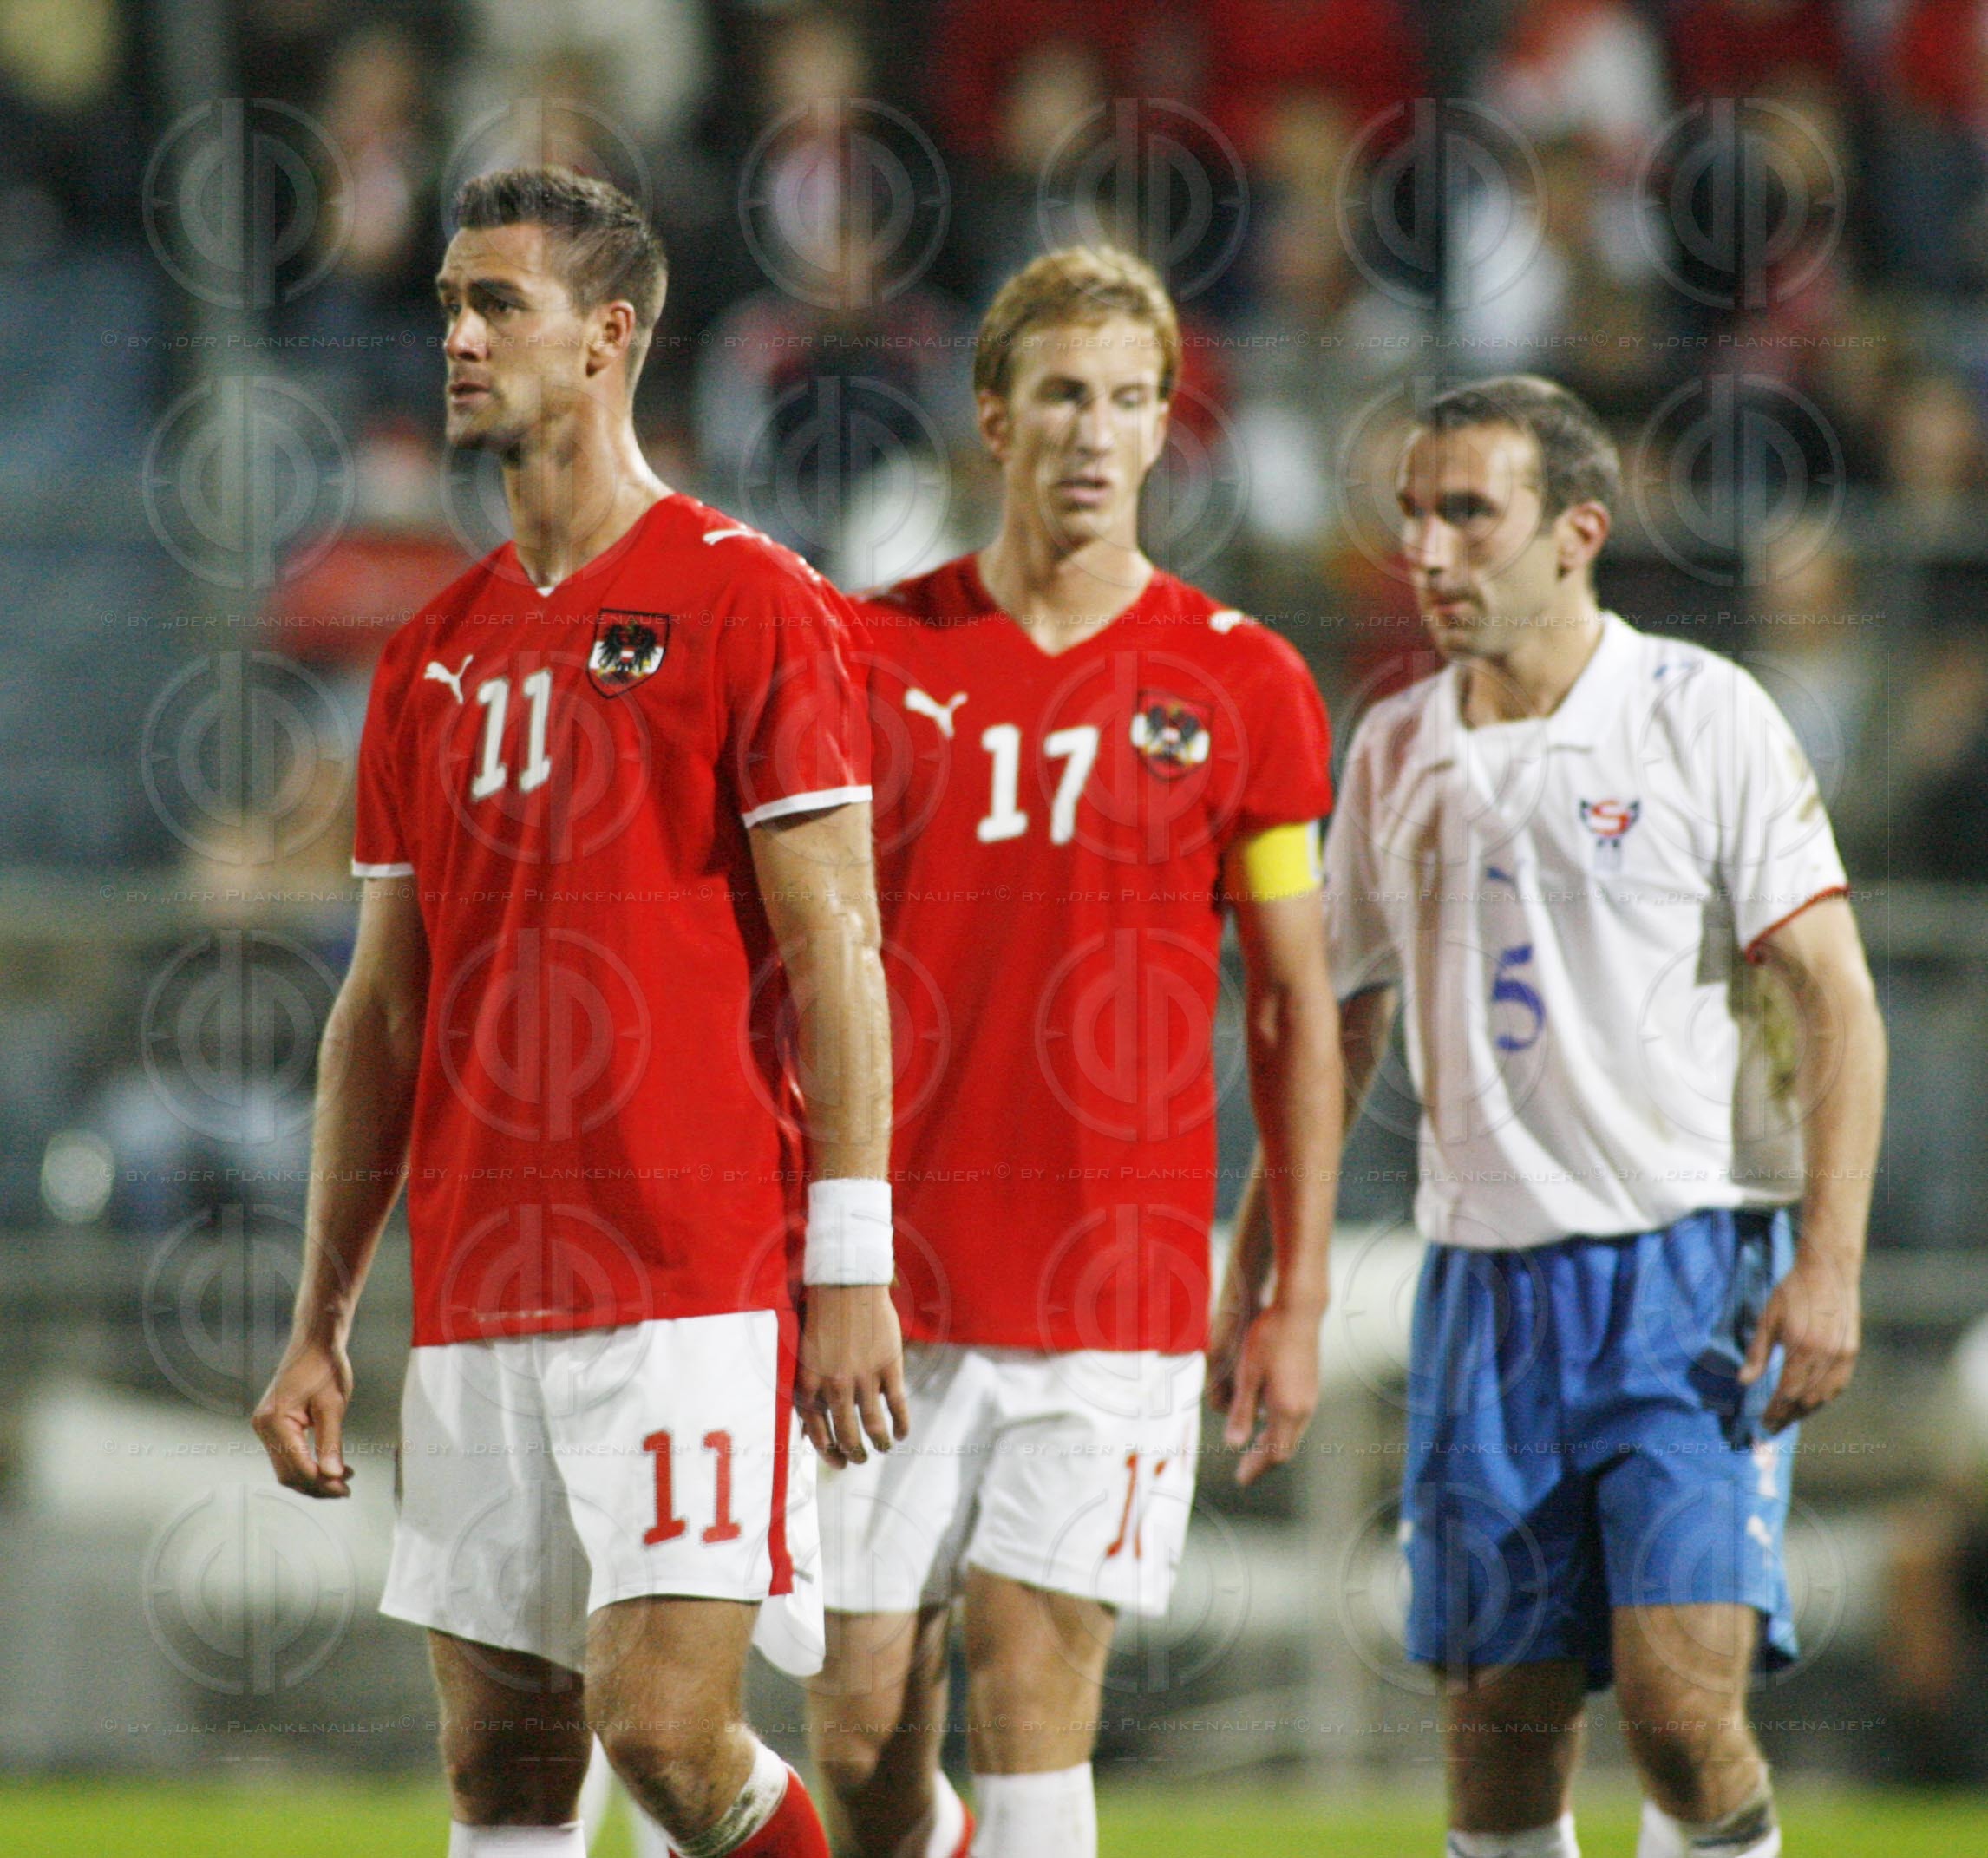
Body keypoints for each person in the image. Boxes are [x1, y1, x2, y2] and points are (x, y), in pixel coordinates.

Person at [251, 165, 906, 1858]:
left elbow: (839, 947)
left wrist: (851, 1259)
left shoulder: (751, 598)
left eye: (499, 306)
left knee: (668, 1736)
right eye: (449, 306)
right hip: (478, 1286)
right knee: (499, 1771)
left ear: (610, 336)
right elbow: (379, 1016)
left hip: (689, 1280)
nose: (458, 339)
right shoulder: (431, 656)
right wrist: (323, 1314)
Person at [801, 246, 1343, 1858]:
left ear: (1165, 423)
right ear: (993, 417)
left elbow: (1294, 1004)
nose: (1094, 433)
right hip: (891, 1279)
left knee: (1034, 1675)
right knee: (861, 1734)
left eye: (1127, 400)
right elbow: (795, 967)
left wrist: (1295, 1288)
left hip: (1117, 1279)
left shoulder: (1244, 682)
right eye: (1060, 396)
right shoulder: (868, 655)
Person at [1312, 375, 1885, 1858]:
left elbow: (1837, 994)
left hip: (1688, 1275)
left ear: (1576, 531)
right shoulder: (1393, 748)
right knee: (1499, 1750)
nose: (1427, 550)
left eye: (1468, 513)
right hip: (1482, 1293)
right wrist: (1284, 1261)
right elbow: (1339, 1016)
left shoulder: (1700, 712)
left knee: (1679, 1711)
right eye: (1413, 515)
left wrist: (1830, 1261)